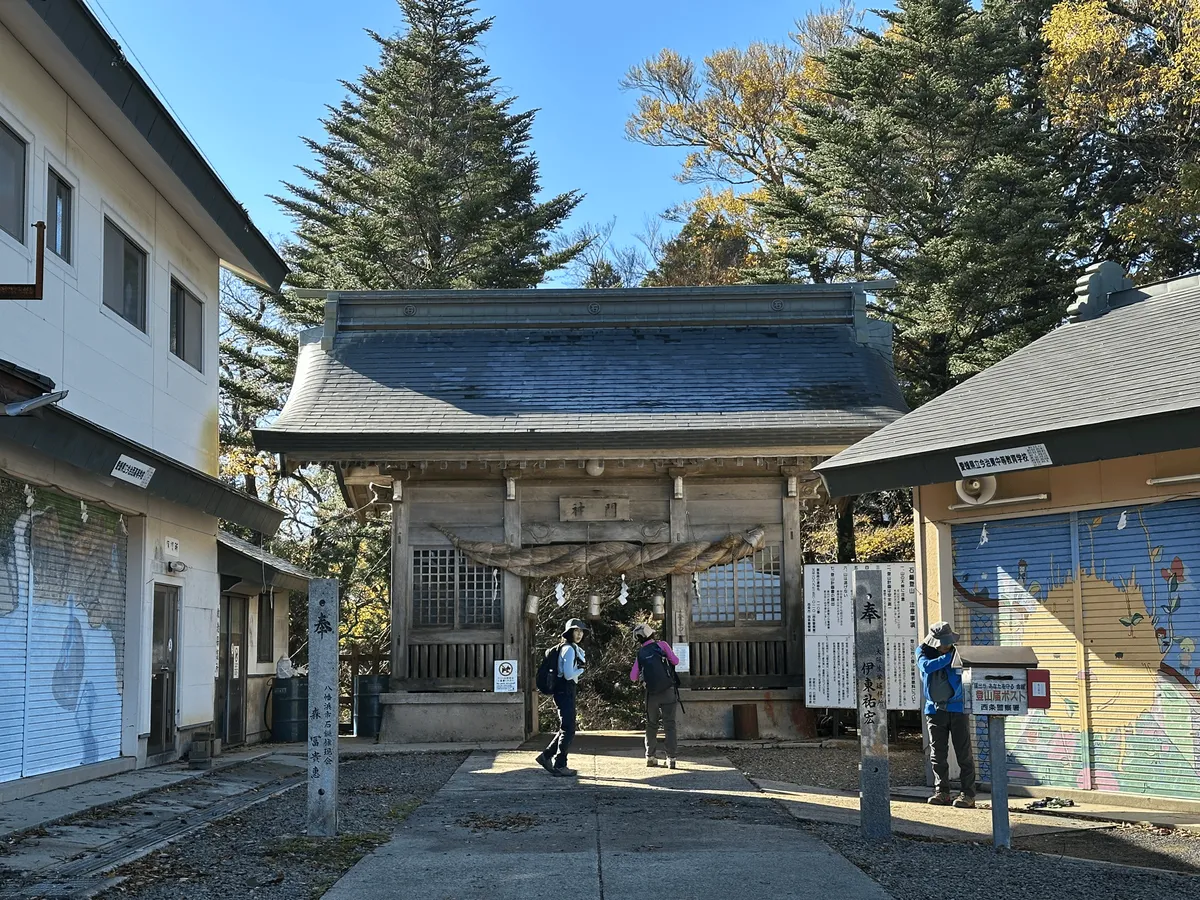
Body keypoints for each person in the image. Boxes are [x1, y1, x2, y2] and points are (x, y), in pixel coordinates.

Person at [916, 621, 976, 808]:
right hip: (934, 710)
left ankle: (968, 794)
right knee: (937, 754)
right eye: (942, 642)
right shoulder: (922, 651)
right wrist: (949, 658)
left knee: (963, 753)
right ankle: (942, 791)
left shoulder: (959, 653)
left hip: (958, 709)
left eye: (947, 642)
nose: (945, 645)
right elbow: (926, 667)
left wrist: (952, 656)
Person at [536, 618, 588, 777]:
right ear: (569, 632)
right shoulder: (570, 649)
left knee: (566, 727)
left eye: (581, 631)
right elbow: (568, 674)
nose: (579, 634)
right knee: (569, 729)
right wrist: (581, 670)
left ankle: (545, 756)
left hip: (563, 691)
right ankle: (560, 764)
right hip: (565, 690)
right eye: (576, 631)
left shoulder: (569, 648)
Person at [630, 622, 681, 768]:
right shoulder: (662, 645)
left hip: (651, 694)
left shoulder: (641, 653)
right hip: (668, 691)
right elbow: (675, 661)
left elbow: (633, 677)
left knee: (651, 725)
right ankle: (671, 758)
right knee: (669, 725)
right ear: (651, 634)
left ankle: (650, 757)